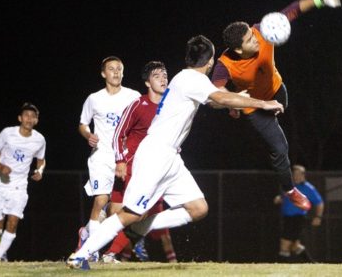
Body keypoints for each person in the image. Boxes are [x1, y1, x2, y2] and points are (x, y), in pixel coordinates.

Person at [67, 35, 284, 269]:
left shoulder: (186, 78)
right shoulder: (192, 79)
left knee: (198, 207)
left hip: (170, 158)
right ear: (210, 62)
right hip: (156, 155)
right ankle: (82, 254)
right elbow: (219, 96)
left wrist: (234, 101)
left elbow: (213, 101)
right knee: (129, 214)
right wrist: (262, 103)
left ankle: (141, 227)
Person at [211, 0, 342, 209]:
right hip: (254, 107)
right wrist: (232, 103)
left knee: (286, 114)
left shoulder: (262, 30)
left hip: (278, 92)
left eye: (254, 34)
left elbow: (292, 11)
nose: (256, 37)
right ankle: (291, 190)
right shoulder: (224, 65)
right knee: (280, 148)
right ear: (237, 49)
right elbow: (214, 95)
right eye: (250, 40)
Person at [101, 61, 177, 263]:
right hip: (129, 167)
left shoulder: (171, 108)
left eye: (165, 74)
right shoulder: (138, 104)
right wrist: (120, 161)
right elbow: (118, 134)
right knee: (115, 215)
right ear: (147, 82)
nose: (163, 78)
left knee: (139, 215)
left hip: (152, 171)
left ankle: (109, 254)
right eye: (157, 75)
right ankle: (91, 244)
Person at [77, 56, 140, 260]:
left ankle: (87, 234)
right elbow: (82, 124)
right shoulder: (94, 98)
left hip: (125, 158)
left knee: (116, 210)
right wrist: (88, 135)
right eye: (111, 69)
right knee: (101, 198)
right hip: (102, 156)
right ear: (103, 73)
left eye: (119, 69)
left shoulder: (133, 96)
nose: (116, 72)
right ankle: (92, 252)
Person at [0, 102, 46, 262]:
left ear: (36, 121)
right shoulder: (7, 133)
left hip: (20, 185)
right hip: (1, 183)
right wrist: (0, 165)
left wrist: (39, 171)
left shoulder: (39, 139)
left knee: (13, 221)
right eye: (26, 115)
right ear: (20, 118)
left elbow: (41, 160)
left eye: (33, 116)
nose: (29, 118)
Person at [273, 165, 324, 262]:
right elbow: (284, 198)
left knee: (284, 244)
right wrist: (279, 199)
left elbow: (319, 203)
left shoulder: (308, 188)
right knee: (294, 246)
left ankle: (281, 268)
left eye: (298, 174)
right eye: (294, 174)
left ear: (303, 175)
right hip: (287, 218)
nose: (296, 176)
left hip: (297, 219)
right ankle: (311, 263)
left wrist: (318, 217)